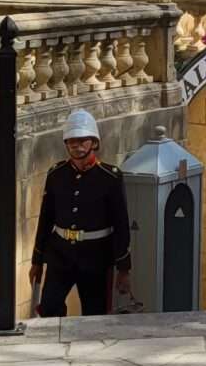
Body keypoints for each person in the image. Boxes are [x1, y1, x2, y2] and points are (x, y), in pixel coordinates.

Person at [28, 109, 132, 317]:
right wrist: (37, 261)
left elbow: (120, 223)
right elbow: (46, 218)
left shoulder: (110, 177)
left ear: (94, 142)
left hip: (96, 256)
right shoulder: (56, 174)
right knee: (49, 308)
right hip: (60, 254)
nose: (76, 146)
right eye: (71, 141)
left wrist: (123, 268)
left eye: (82, 140)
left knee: (94, 315)